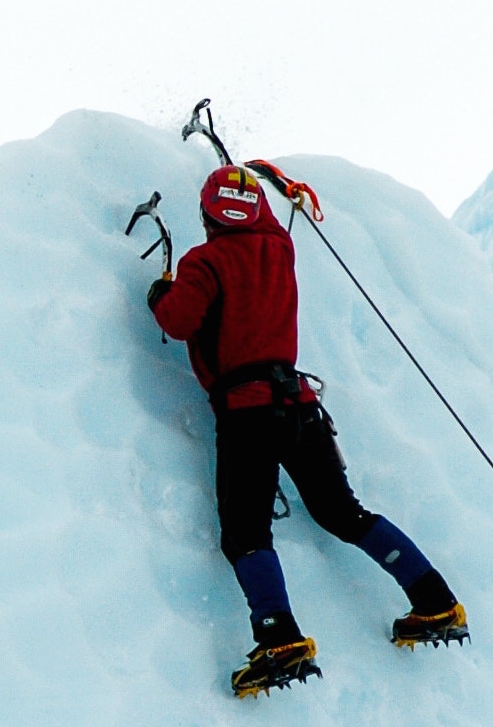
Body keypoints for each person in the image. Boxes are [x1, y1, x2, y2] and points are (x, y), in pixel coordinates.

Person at [147, 164, 468, 699]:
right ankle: (434, 599)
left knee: (245, 533)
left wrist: (161, 292)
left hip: (247, 413)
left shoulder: (204, 261)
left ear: (207, 216)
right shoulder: (279, 247)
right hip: (299, 406)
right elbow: (268, 224)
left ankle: (279, 638)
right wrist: (259, 181)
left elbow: (178, 321)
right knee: (344, 513)